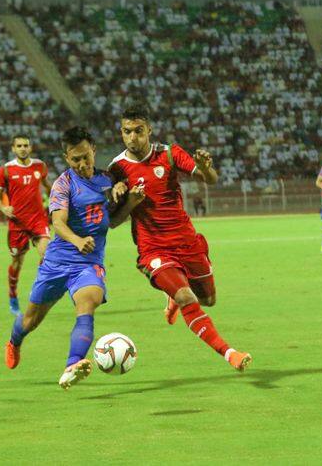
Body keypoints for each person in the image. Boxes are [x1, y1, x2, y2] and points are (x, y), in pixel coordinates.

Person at [108, 107, 252, 373]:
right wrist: (129, 200)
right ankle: (230, 353)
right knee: (188, 298)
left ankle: (173, 296)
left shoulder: (170, 154)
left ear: (149, 131)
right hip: (153, 248)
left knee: (208, 300)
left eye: (138, 131)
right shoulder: (117, 168)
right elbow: (113, 221)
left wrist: (207, 168)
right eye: (127, 132)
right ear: (121, 133)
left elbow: (210, 179)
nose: (133, 137)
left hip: (186, 242)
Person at [5, 126, 144, 389]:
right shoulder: (63, 184)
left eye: (85, 157)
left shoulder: (107, 180)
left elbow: (112, 222)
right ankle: (14, 341)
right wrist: (77, 240)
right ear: (67, 159)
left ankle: (73, 364)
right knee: (30, 320)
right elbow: (58, 222)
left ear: (93, 150)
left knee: (87, 304)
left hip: (89, 263)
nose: (81, 164)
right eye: (75, 159)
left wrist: (130, 203)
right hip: (57, 262)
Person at [0, 134, 53, 315]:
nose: (23, 148)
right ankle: (13, 295)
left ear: (30, 147)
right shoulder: (6, 170)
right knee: (17, 261)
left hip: (38, 219)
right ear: (13, 148)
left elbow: (48, 186)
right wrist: (3, 208)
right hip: (17, 223)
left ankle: (38, 293)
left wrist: (54, 200)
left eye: (26, 145)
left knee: (47, 255)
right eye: (19, 146)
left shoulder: (40, 166)